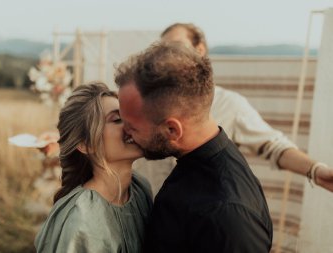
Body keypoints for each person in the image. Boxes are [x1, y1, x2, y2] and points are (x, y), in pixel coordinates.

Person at [132, 22, 333, 195]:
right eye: (162, 50)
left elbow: (274, 146)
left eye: (175, 46)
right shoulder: (145, 104)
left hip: (202, 219)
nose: (167, 55)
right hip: (149, 215)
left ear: (199, 49)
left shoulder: (230, 104)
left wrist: (316, 170)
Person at [116, 42, 273, 252]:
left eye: (132, 127)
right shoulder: (192, 162)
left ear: (172, 130)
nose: (124, 132)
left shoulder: (227, 214)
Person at [34, 82, 153, 253]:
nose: (130, 124)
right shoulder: (80, 220)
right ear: (85, 144)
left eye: (128, 115)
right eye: (117, 119)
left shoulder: (140, 188)